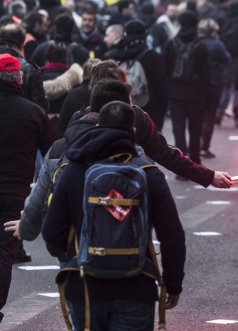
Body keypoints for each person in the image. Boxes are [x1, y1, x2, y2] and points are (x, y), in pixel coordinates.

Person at [42, 101, 185, 331]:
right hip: (136, 287)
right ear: (134, 131)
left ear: (98, 125)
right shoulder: (148, 173)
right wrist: (173, 284)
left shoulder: (75, 170)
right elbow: (172, 236)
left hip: (85, 288)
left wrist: (78, 253)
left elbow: (52, 232)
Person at [67, 60, 233, 189]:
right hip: (128, 193)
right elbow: (166, 155)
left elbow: (56, 159)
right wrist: (208, 176)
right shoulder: (136, 115)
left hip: (86, 195)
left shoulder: (78, 117)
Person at [7, 80, 131, 244]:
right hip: (125, 247)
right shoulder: (133, 153)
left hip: (74, 244)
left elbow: (41, 194)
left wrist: (26, 229)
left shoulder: (61, 149)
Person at [0, 53, 56, 323]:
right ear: (18, 79)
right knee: (4, 255)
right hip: (14, 195)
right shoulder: (33, 111)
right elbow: (54, 152)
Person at [163, 11, 211, 175]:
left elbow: (166, 70)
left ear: (180, 25)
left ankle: (181, 165)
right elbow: (206, 72)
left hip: (176, 92)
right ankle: (196, 163)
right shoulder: (201, 45)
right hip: (196, 93)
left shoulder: (171, 44)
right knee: (195, 129)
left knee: (178, 128)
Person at [107, 20, 168, 130]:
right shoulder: (153, 57)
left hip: (122, 111)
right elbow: (162, 89)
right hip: (150, 112)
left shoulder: (115, 55)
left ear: (125, 35)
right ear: (145, 35)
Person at [197, 19, 231, 158]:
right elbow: (226, 59)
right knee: (210, 116)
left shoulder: (196, 43)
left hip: (198, 83)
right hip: (215, 82)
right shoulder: (217, 45)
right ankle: (205, 147)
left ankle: (195, 144)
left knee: (198, 115)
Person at [0, 23, 48, 111]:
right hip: (23, 121)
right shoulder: (30, 69)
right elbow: (40, 107)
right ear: (22, 44)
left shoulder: (30, 69)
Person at [40, 45, 82, 127]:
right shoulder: (74, 78)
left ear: (47, 60)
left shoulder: (37, 77)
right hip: (66, 124)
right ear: (66, 59)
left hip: (43, 122)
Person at [55, 59, 98, 137]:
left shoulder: (73, 93)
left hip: (73, 140)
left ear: (83, 75)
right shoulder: (103, 93)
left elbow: (61, 126)